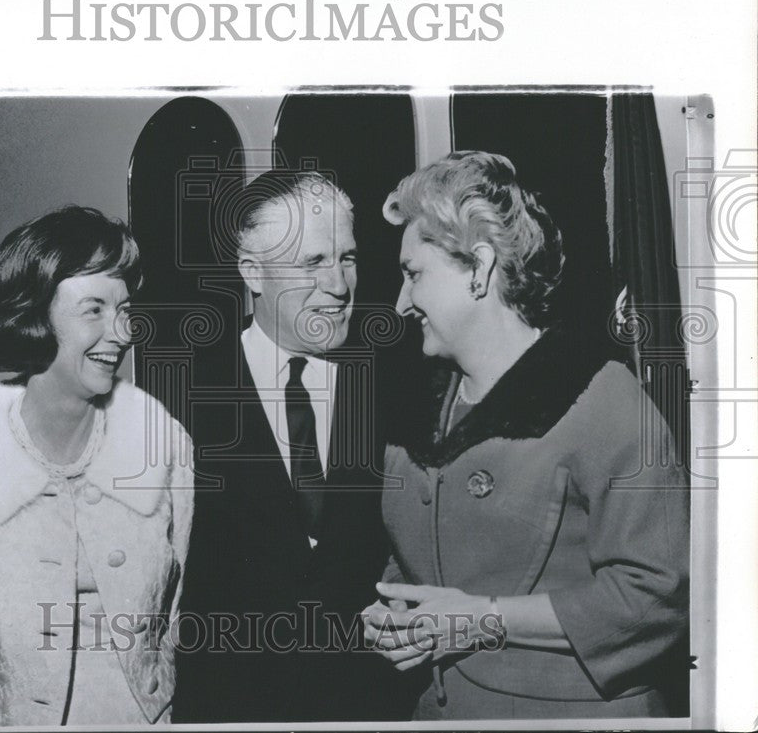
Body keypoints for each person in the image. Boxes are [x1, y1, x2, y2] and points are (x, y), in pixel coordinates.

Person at [362, 151, 689, 719]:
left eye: (414, 274)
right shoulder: (417, 407)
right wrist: (393, 614)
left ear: (479, 268)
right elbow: (417, 564)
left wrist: (482, 619)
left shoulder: (603, 398)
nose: (401, 302)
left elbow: (656, 595)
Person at [0, 206, 193, 726]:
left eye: (125, 309)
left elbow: (180, 618)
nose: (123, 332)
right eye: (94, 311)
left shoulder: (164, 444)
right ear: (36, 317)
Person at [173, 171, 394, 722]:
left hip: (369, 707)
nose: (340, 285)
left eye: (347, 257)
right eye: (312, 262)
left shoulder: (396, 390)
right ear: (253, 272)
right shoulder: (178, 400)